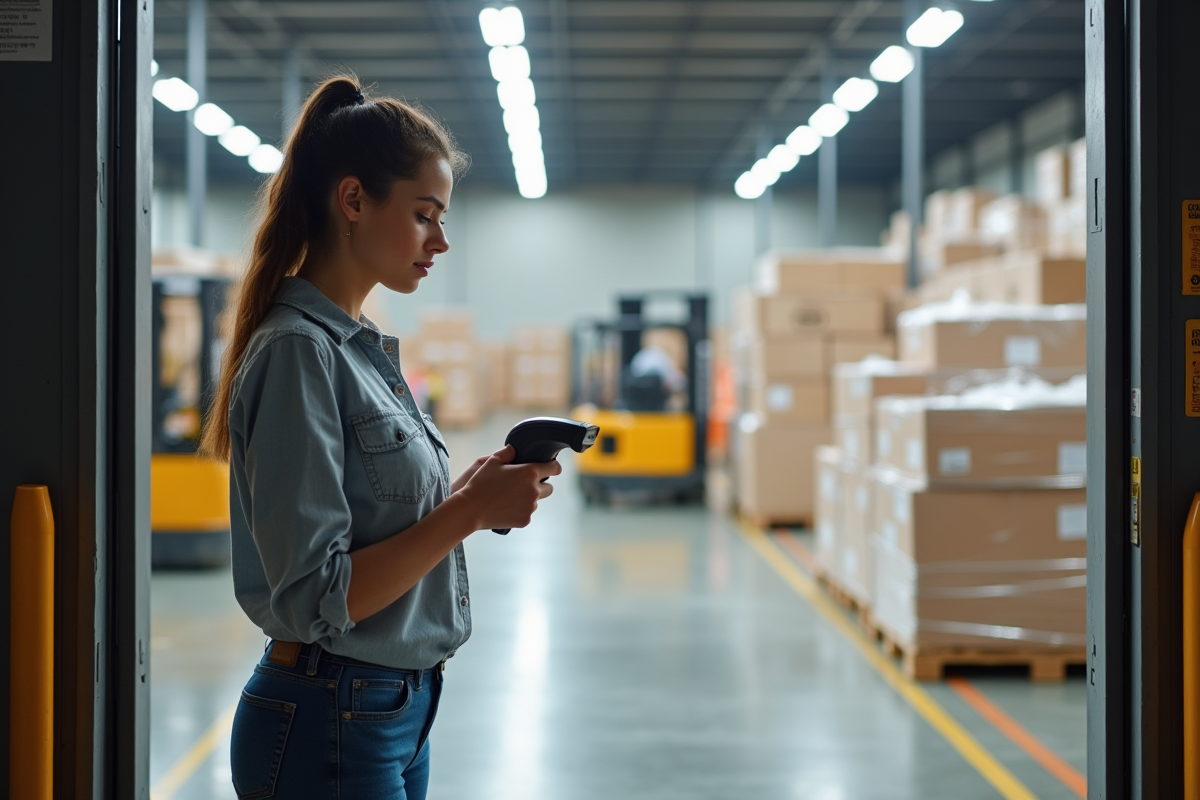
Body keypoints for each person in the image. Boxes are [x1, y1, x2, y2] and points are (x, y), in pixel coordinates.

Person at [199, 75, 561, 800]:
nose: (441, 241)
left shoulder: (360, 349)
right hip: (331, 713)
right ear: (354, 200)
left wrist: (464, 495)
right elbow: (316, 596)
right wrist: (467, 514)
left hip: (391, 709)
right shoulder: (300, 352)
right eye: (425, 215)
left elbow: (374, 526)